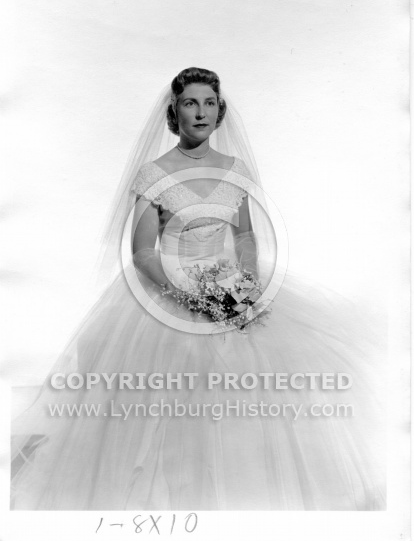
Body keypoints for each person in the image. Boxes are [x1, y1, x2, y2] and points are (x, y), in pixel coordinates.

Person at [10, 67, 385, 511]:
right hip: (167, 289)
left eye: (209, 103)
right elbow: (142, 252)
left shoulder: (234, 170)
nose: (201, 112)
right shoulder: (154, 174)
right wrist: (189, 296)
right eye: (191, 103)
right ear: (175, 111)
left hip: (228, 284)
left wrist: (243, 287)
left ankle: (243, 498)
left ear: (219, 110)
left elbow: (246, 237)